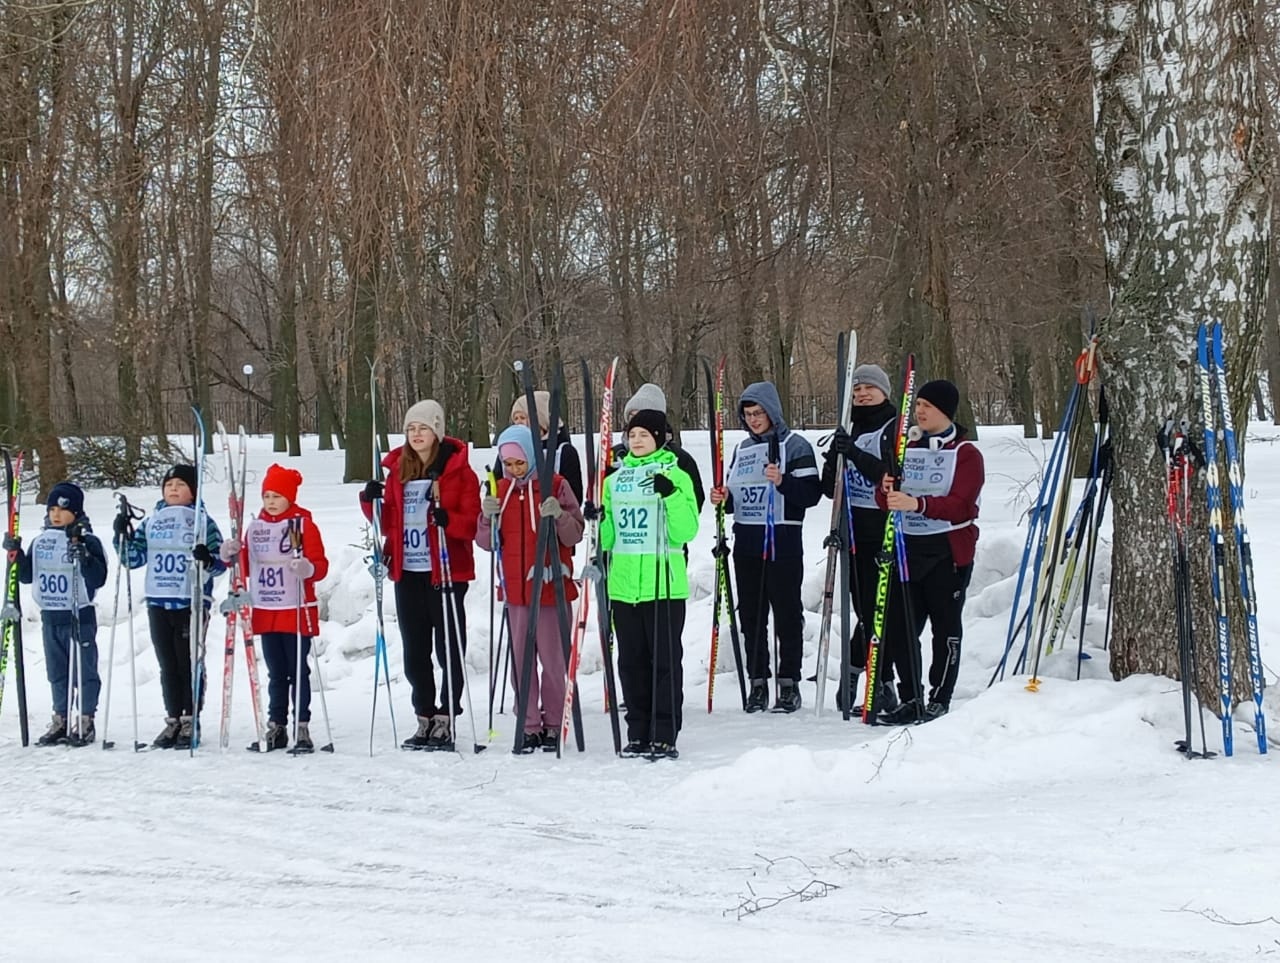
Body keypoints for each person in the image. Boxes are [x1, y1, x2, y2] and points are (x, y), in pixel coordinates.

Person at [361, 399, 480, 751]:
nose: (416, 434)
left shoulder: (459, 472)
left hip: (444, 571)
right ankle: (424, 715)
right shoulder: (398, 470)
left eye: (423, 428)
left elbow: (471, 523)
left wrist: (450, 521)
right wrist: (371, 501)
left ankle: (447, 715)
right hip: (408, 571)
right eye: (411, 428)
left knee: (448, 649)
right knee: (415, 652)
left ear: (437, 431)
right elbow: (388, 525)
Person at [876, 379, 984, 724]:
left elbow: (962, 506)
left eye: (928, 406)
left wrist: (917, 503)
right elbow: (887, 500)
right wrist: (886, 489)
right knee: (903, 628)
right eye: (918, 405)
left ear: (945, 412)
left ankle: (940, 696)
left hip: (947, 552)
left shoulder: (966, 454)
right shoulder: (907, 447)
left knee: (945, 628)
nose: (920, 411)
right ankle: (911, 697)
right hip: (908, 549)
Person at [710, 382, 821, 713]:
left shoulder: (796, 445)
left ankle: (789, 684)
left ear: (772, 411)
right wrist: (723, 498)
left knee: (787, 615)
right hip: (748, 541)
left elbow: (811, 494)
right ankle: (758, 680)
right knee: (752, 617)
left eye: (759, 413)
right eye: (748, 414)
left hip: (783, 541)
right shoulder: (743, 449)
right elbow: (735, 495)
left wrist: (783, 481)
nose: (754, 419)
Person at [476, 424, 584, 753]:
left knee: (553, 660)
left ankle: (553, 721)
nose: (514, 470)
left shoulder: (555, 484)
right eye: (507, 464)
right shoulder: (502, 491)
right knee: (521, 662)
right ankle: (528, 723)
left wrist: (559, 516)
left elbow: (575, 534)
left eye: (519, 463)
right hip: (516, 593)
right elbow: (485, 543)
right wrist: (486, 517)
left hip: (550, 588)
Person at [601, 411, 699, 758]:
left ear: (660, 437)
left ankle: (664, 732)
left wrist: (670, 495)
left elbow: (686, 531)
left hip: (664, 585)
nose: (637, 440)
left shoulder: (675, 473)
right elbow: (608, 537)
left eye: (644, 434)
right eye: (632, 434)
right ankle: (638, 732)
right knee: (631, 663)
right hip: (625, 586)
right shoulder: (614, 479)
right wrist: (597, 517)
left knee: (664, 663)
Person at [117, 464, 226, 749]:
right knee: (167, 665)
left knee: (188, 662)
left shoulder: (203, 521)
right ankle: (173, 718)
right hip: (158, 600)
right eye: (169, 485)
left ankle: (191, 717)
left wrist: (208, 559)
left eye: (180, 484)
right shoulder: (152, 521)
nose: (173, 489)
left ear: (193, 491)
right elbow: (133, 559)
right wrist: (122, 536)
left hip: (190, 600)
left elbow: (221, 563)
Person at [221, 465, 329, 752]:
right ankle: (276, 725)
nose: (270, 501)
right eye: (267, 495)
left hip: (294, 609)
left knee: (298, 671)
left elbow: (320, 565)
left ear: (290, 497)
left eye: (277, 495)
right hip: (268, 611)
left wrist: (308, 568)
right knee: (276, 672)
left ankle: (302, 725)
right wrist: (230, 554)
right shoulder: (256, 528)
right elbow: (245, 565)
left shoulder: (303, 524)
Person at [820, 364, 900, 714]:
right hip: (853, 534)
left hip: (885, 529)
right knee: (867, 612)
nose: (862, 394)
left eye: (869, 388)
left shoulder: (894, 426)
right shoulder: (848, 428)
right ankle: (864, 674)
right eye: (856, 390)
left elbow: (888, 474)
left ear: (884, 391)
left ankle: (880, 681)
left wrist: (852, 451)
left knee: (882, 612)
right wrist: (836, 454)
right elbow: (828, 488)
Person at [5, 482, 108, 746]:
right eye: (52, 509)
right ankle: (60, 716)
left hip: (79, 615)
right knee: (57, 671)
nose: (56, 515)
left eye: (62, 510)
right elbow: (28, 576)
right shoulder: (42, 540)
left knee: (83, 670)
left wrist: (84, 556)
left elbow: (98, 578)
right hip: (51, 616)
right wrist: (16, 555)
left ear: (76, 512)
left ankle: (85, 718)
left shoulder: (88, 540)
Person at [608, 383, 705, 512]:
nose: (637, 421)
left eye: (643, 415)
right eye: (632, 416)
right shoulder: (614, 455)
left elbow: (694, 504)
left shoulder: (678, 458)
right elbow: (600, 497)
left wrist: (671, 496)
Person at [494, 391, 584, 504]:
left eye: (523, 417)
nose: (518, 423)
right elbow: (496, 486)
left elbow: (574, 498)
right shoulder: (510, 450)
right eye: (515, 419)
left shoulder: (562, 452)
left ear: (539, 419)